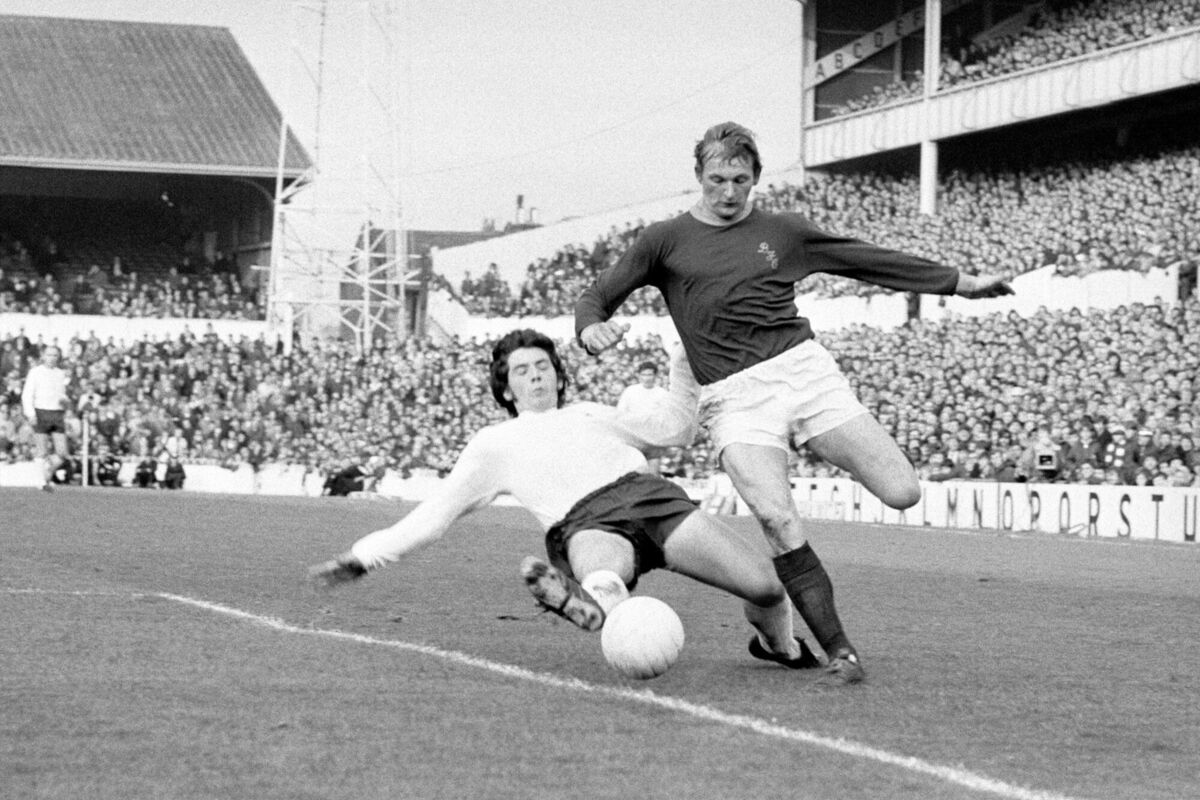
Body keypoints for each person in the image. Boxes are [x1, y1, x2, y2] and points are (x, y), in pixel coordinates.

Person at [575, 122, 1014, 682]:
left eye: (739, 179)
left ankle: (816, 466)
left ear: (756, 177)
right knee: (779, 519)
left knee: (903, 491)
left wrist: (960, 283)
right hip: (734, 400)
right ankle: (841, 653)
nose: (728, 192)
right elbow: (598, 295)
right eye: (716, 180)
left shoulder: (784, 231)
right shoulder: (664, 239)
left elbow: (865, 259)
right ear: (698, 177)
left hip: (805, 375)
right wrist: (590, 329)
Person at [310, 329, 830, 677]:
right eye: (521, 370)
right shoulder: (493, 445)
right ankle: (592, 601)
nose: (535, 375)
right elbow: (434, 516)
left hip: (651, 500)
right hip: (585, 519)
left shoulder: (594, 413)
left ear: (559, 374)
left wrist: (682, 363)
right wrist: (364, 555)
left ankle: (779, 648)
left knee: (765, 587)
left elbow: (678, 429)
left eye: (542, 365)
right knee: (604, 574)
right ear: (506, 389)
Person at [20, 344, 71, 492]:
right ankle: (41, 481)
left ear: (58, 357)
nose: (52, 358)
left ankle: (46, 472)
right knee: (41, 451)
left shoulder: (60, 373)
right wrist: (30, 413)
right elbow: (27, 394)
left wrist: (65, 401)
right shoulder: (35, 372)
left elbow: (61, 393)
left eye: (55, 355)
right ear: (43, 356)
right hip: (41, 412)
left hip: (57, 413)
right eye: (49, 355)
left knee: (62, 453)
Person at [616, 360, 671, 474]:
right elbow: (620, 413)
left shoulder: (662, 394)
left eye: (650, 374)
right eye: (644, 375)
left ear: (655, 376)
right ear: (639, 376)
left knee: (653, 473)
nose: (647, 378)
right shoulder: (630, 391)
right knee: (632, 472)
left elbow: (666, 417)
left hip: (653, 437)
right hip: (633, 435)